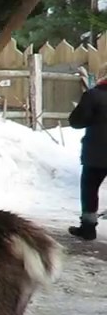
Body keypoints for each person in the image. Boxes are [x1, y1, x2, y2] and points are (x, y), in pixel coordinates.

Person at [68, 64, 107, 240]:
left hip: (96, 154)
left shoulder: (94, 96)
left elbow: (76, 122)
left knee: (90, 188)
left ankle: (88, 227)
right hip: (96, 153)